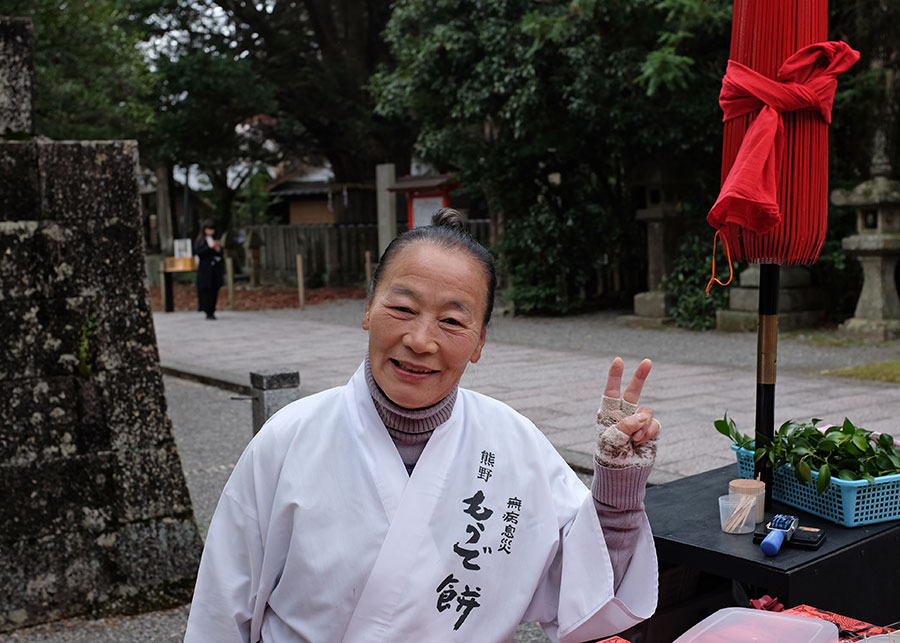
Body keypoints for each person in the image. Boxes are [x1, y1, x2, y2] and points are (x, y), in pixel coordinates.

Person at [184, 209, 660, 642]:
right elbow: (221, 610)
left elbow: (587, 594)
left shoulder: (515, 444)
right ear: (368, 309)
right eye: (403, 309)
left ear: (479, 342)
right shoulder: (289, 439)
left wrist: (618, 487)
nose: (420, 340)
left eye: (452, 321)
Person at [194, 220, 224, 320]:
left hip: (215, 268)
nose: (211, 231)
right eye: (209, 229)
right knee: (206, 290)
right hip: (205, 270)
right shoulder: (201, 240)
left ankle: (212, 309)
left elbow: (220, 254)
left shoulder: (214, 240)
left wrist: (218, 249)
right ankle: (207, 310)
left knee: (214, 290)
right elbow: (199, 252)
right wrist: (209, 247)